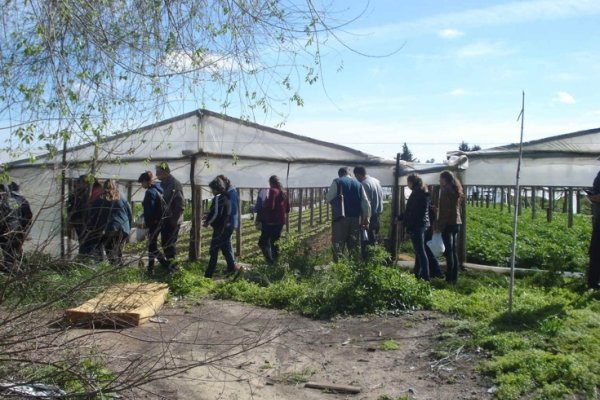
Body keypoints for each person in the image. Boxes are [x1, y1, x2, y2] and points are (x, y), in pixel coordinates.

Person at [325, 167, 371, 262]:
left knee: (338, 246)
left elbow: (328, 198)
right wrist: (366, 218)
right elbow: (366, 203)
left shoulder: (337, 181)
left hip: (340, 219)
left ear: (340, 174)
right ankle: (354, 268)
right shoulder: (359, 184)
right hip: (355, 219)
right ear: (349, 173)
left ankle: (339, 269)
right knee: (354, 246)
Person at [203, 177, 241, 278]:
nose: (211, 191)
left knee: (213, 250)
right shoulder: (227, 196)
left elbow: (216, 213)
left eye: (212, 189)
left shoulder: (218, 197)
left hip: (221, 228)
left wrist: (207, 222)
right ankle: (232, 268)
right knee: (225, 248)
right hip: (227, 226)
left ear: (215, 188)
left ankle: (208, 274)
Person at [89, 179, 133, 265]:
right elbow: (130, 214)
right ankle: (119, 269)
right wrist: (128, 228)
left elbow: (93, 215)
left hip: (110, 229)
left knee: (110, 250)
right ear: (116, 186)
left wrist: (93, 229)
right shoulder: (122, 198)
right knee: (117, 250)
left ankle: (114, 270)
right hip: (123, 228)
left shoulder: (100, 199)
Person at [400, 174, 431, 281]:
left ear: (411, 182)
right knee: (419, 252)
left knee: (420, 252)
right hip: (423, 224)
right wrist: (401, 217)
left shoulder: (417, 193)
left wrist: (409, 228)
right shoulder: (422, 190)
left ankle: (426, 276)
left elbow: (413, 212)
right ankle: (418, 273)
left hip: (417, 225)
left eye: (408, 182)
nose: (407, 185)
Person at [155, 162, 185, 273]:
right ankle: (170, 266)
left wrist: (174, 219)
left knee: (170, 244)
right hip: (166, 219)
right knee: (165, 243)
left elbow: (181, 204)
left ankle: (174, 268)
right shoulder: (163, 184)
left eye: (158, 172)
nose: (156, 174)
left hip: (173, 220)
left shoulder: (174, 184)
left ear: (165, 172)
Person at [437, 170, 464, 284]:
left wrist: (440, 225)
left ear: (445, 179)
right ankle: (454, 276)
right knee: (453, 250)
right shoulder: (455, 189)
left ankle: (449, 278)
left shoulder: (445, 190)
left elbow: (445, 211)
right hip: (456, 222)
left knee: (449, 251)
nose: (439, 181)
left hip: (448, 223)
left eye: (440, 178)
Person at [138, 171, 167, 275]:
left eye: (142, 183)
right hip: (162, 220)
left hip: (154, 222)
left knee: (152, 246)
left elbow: (149, 210)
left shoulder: (150, 192)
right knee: (152, 245)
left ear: (146, 181)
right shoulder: (159, 188)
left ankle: (165, 266)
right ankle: (151, 268)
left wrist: (147, 222)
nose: (142, 185)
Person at [0, 183, 31, 272]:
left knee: (10, 257)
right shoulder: (16, 200)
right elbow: (26, 216)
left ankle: (13, 276)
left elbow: (14, 216)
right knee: (14, 255)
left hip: (9, 232)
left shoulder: (10, 201)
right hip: (14, 231)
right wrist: (24, 231)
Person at [353, 166, 383, 258]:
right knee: (374, 238)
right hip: (377, 214)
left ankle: (369, 262)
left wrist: (365, 219)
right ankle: (375, 259)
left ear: (358, 175)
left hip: (370, 216)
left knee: (367, 241)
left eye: (356, 176)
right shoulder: (376, 181)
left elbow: (366, 203)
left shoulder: (364, 184)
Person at [259, 175, 290, 264]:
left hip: (271, 221)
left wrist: (264, 205)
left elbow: (270, 206)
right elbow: (287, 209)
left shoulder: (272, 191)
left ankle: (270, 261)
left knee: (262, 242)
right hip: (280, 221)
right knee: (275, 242)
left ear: (270, 183)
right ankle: (276, 262)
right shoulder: (284, 192)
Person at [587, 170, 600, 289]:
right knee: (595, 251)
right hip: (598, 220)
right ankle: (593, 282)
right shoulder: (598, 176)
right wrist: (592, 197)